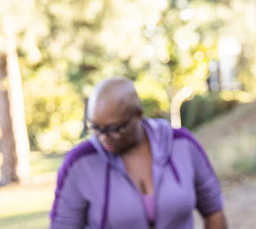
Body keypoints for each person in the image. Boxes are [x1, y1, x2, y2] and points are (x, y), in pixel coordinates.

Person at [50, 77, 227, 229]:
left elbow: (214, 210)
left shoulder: (182, 145)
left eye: (115, 129)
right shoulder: (80, 163)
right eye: (96, 128)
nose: (104, 138)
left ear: (138, 115)